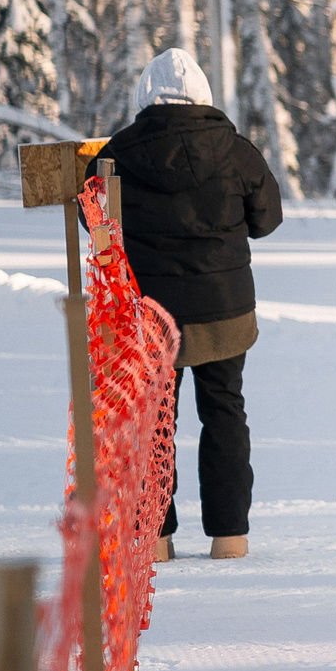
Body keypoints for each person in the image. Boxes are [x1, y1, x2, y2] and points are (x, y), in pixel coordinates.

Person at [104, 47, 282, 562]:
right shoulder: (236, 150)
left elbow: (94, 222)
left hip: (150, 316)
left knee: (154, 419)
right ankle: (230, 539)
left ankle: (155, 540)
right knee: (224, 409)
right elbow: (267, 219)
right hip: (224, 311)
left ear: (145, 94)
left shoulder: (117, 154)